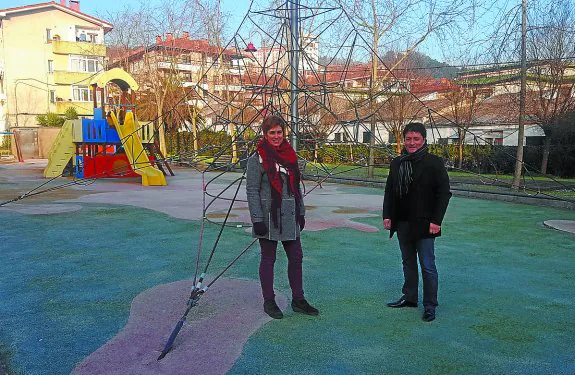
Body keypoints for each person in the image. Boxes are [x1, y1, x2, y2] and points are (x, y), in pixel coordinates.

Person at [246, 115, 319, 319]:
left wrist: (301, 212)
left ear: (284, 133)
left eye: (279, 132)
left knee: (296, 257)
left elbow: (296, 187)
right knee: (268, 259)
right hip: (268, 217)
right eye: (272, 133)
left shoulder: (290, 155)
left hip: (290, 214)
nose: (276, 136)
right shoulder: (257, 158)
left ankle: (299, 300)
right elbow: (252, 190)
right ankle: (269, 301)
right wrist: (257, 219)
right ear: (265, 134)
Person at [383, 122, 451, 322]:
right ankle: (410, 297)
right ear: (403, 140)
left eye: (416, 139)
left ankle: (430, 305)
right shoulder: (397, 163)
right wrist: (388, 215)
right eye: (408, 139)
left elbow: (444, 194)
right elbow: (390, 191)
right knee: (407, 262)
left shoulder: (434, 162)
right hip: (402, 222)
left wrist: (436, 221)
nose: (411, 143)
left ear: (423, 140)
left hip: (425, 224)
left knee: (427, 265)